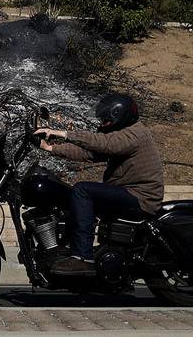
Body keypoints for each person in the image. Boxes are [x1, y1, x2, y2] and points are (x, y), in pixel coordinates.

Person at [33, 93, 164, 276]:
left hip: (140, 197)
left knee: (82, 190)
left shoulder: (134, 134)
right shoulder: (123, 136)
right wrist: (50, 148)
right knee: (73, 195)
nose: (102, 123)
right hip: (128, 192)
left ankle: (82, 258)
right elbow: (90, 154)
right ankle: (67, 250)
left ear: (119, 116)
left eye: (106, 119)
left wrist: (64, 133)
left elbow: (104, 143)